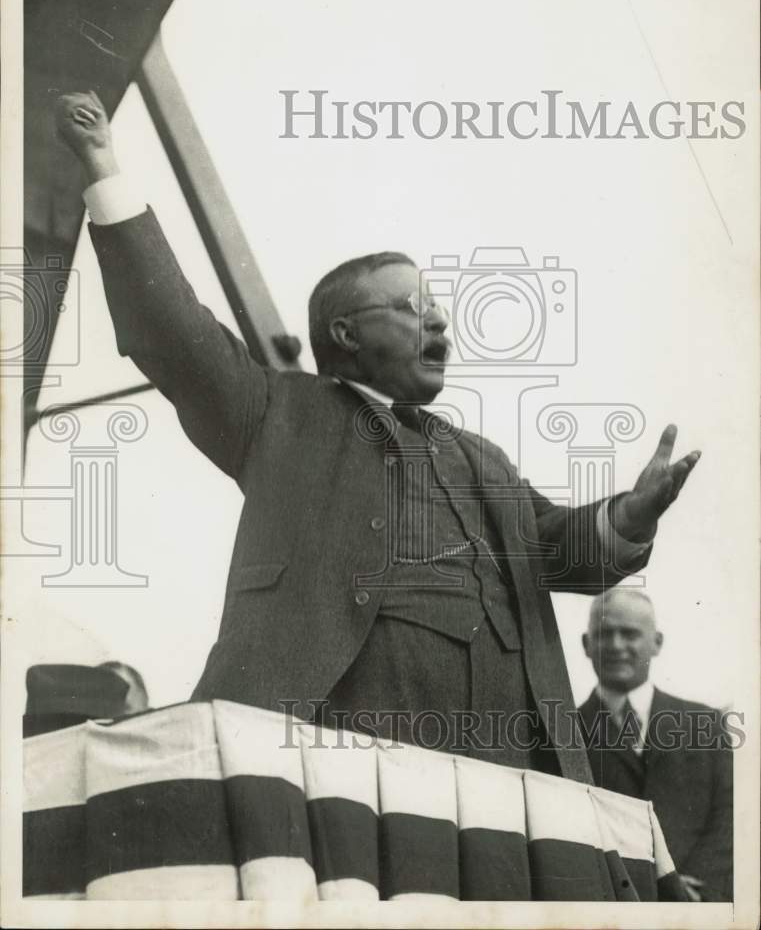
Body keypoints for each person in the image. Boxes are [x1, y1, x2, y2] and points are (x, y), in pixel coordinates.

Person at [54, 90, 700, 782]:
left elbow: (557, 549)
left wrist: (629, 515)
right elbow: (173, 331)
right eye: (409, 309)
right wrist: (103, 166)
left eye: (436, 311)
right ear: (345, 334)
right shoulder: (278, 413)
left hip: (507, 759)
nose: (439, 325)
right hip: (339, 746)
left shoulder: (480, 459)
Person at [578, 588, 733, 901]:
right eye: (604, 634)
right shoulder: (564, 731)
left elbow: (730, 815)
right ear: (586, 644)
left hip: (700, 904)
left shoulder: (704, 722)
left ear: (657, 642)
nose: (616, 645)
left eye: (630, 634)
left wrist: (690, 887)